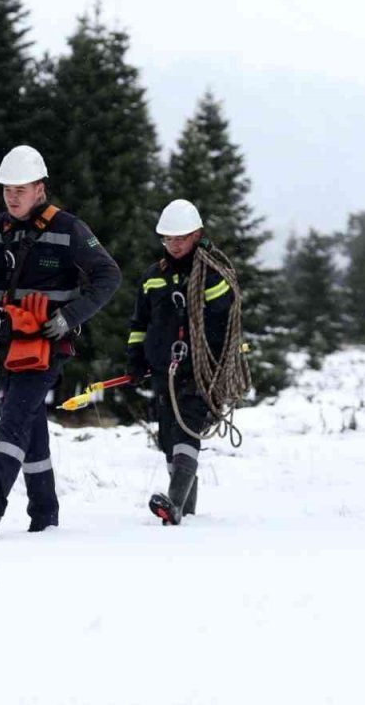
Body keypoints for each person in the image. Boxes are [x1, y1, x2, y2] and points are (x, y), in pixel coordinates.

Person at [0, 145, 121, 539]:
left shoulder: (69, 229)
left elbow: (109, 276)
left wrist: (68, 316)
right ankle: (45, 515)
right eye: (7, 189)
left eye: (20, 189)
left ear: (40, 188)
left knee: (13, 423)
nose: (12, 196)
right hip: (2, 345)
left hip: (45, 348)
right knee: (29, 425)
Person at [126, 199, 236, 525]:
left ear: (197, 235)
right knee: (169, 437)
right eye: (168, 239)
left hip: (199, 371)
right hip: (163, 370)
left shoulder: (212, 276)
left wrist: (217, 365)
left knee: (188, 430)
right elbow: (139, 324)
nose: (174, 245)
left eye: (181, 238)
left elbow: (226, 322)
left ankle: (173, 503)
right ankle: (185, 510)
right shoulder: (152, 278)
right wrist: (135, 360)